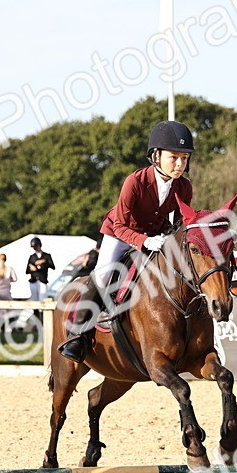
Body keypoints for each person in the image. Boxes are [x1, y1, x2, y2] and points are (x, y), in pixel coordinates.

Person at [57, 120, 195, 362]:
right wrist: (144, 241)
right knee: (101, 274)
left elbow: (179, 222)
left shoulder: (184, 187)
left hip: (155, 236)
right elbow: (120, 226)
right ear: (156, 156)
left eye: (184, 158)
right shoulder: (135, 182)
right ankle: (77, 334)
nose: (180, 164)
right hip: (120, 233)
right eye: (174, 157)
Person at [0, 253, 17, 329]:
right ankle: (11, 327)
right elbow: (15, 278)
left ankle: (2, 328)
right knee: (10, 309)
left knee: (0, 311)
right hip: (6, 291)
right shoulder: (9, 269)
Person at [25, 238, 54, 302]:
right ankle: (35, 311)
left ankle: (41, 312)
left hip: (42, 280)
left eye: (35, 247)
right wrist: (32, 269)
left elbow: (52, 266)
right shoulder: (32, 257)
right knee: (34, 299)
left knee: (42, 298)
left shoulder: (46, 256)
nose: (35, 249)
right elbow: (27, 271)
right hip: (34, 280)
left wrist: (44, 261)